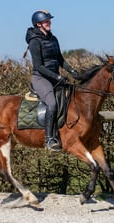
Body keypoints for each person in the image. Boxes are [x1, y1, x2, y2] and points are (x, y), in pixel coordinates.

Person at [25, 10, 78, 151]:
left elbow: (60, 59)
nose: (49, 23)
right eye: (46, 21)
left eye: (49, 20)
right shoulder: (34, 42)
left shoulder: (53, 39)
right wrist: (58, 77)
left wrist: (73, 72)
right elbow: (39, 66)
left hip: (55, 77)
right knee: (52, 103)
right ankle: (49, 139)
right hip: (40, 78)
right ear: (38, 24)